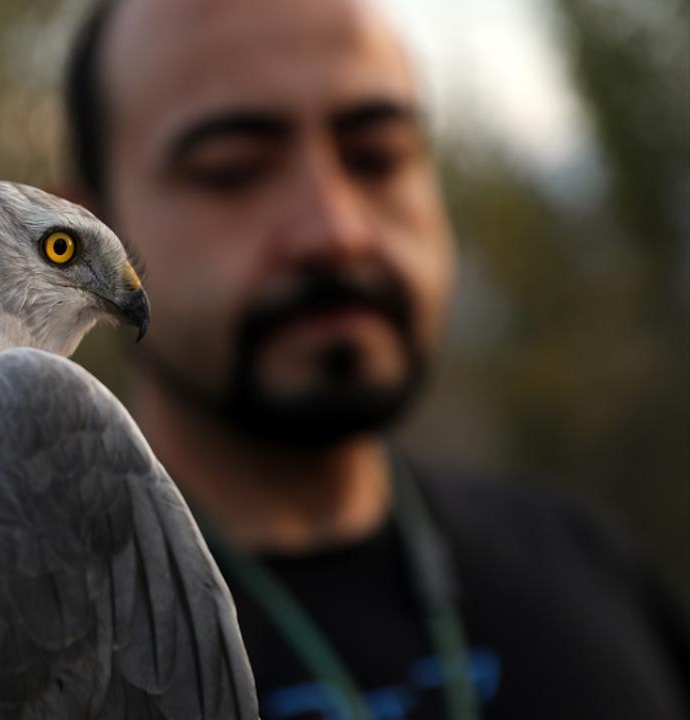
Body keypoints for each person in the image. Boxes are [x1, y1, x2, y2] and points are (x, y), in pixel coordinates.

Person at [60, 0, 690, 718]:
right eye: (232, 170)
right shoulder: (4, 648)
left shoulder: (591, 576)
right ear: (84, 232)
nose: (336, 230)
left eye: (377, 156)